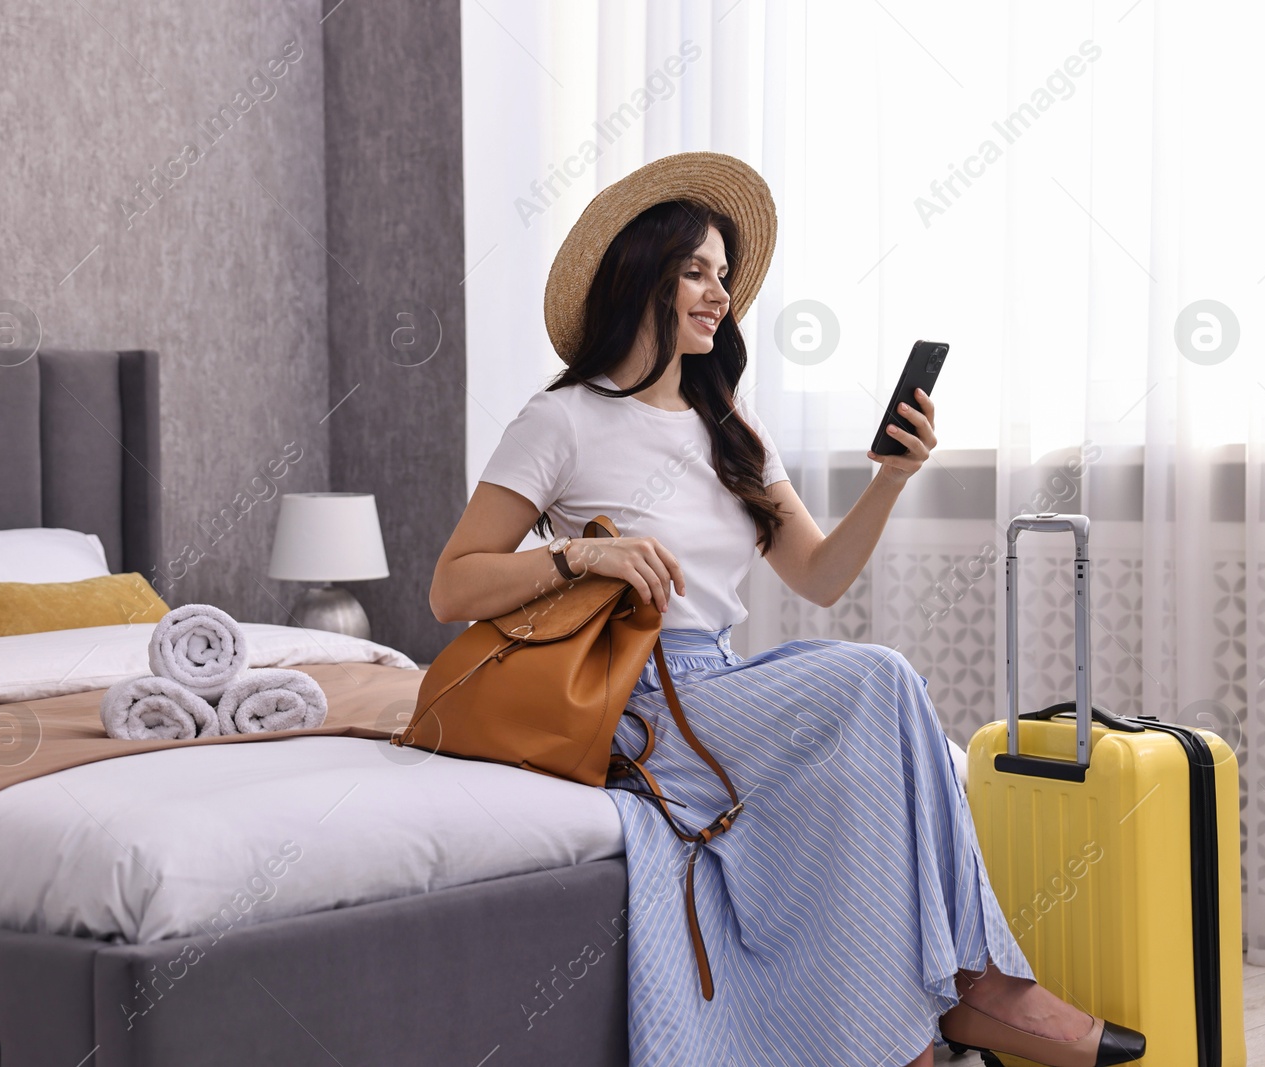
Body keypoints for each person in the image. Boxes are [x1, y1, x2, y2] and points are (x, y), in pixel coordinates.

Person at [428, 152, 1146, 1067]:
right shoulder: (560, 419)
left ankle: (944, 1005)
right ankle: (979, 992)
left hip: (719, 686)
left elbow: (819, 573)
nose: (718, 292)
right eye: (694, 270)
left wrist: (891, 480)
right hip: (640, 703)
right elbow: (453, 584)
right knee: (878, 680)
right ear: (637, 276)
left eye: (724, 274)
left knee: (878, 723)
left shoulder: (728, 424)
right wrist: (578, 551)